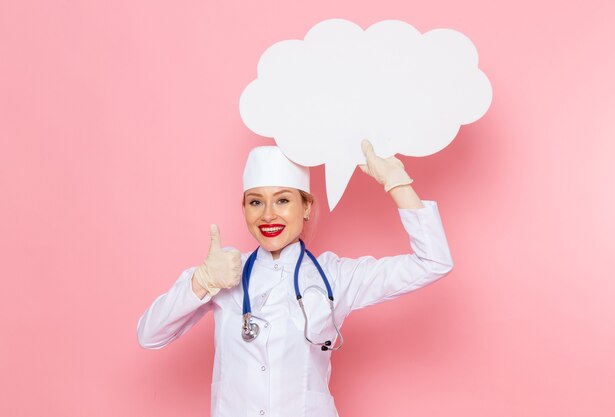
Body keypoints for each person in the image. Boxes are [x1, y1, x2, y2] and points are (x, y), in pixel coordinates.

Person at [137, 140, 453, 417]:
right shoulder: (223, 272)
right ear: (244, 209)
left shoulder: (335, 275)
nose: (268, 214)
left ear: (306, 207)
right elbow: (149, 335)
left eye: (283, 200)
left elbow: (433, 262)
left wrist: (397, 184)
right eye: (256, 202)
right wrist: (202, 282)